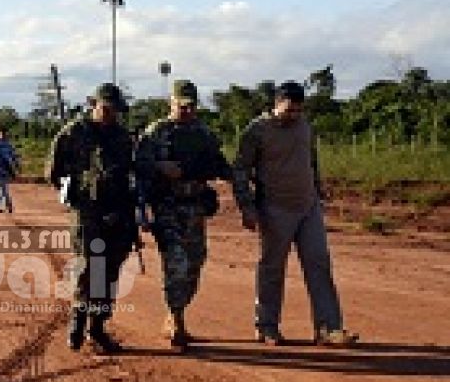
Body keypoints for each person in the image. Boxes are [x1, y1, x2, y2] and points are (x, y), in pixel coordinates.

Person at [233, 81, 358, 346]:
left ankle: (328, 328)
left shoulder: (304, 126)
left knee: (319, 263)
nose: (294, 115)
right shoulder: (256, 131)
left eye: (299, 110)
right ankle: (266, 326)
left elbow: (311, 161)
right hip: (275, 209)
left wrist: (318, 192)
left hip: (308, 207)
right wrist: (247, 207)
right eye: (289, 110)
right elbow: (240, 170)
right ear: (276, 104)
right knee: (272, 268)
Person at [135, 80, 231, 349]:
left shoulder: (203, 133)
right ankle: (175, 318)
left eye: (191, 106)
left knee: (195, 261)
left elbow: (220, 164)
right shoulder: (156, 133)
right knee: (175, 261)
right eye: (181, 105)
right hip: (167, 206)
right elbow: (138, 169)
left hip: (195, 207)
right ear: (171, 102)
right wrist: (158, 167)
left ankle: (177, 311)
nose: (187, 111)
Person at [46, 83, 137, 353]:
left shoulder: (122, 137)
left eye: (115, 110)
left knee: (110, 272)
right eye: (106, 109)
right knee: (88, 268)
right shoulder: (73, 133)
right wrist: (74, 194)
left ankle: (97, 328)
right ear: (93, 105)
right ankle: (78, 321)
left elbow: (131, 173)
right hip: (87, 212)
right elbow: (53, 172)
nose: (111, 115)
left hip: (118, 211)